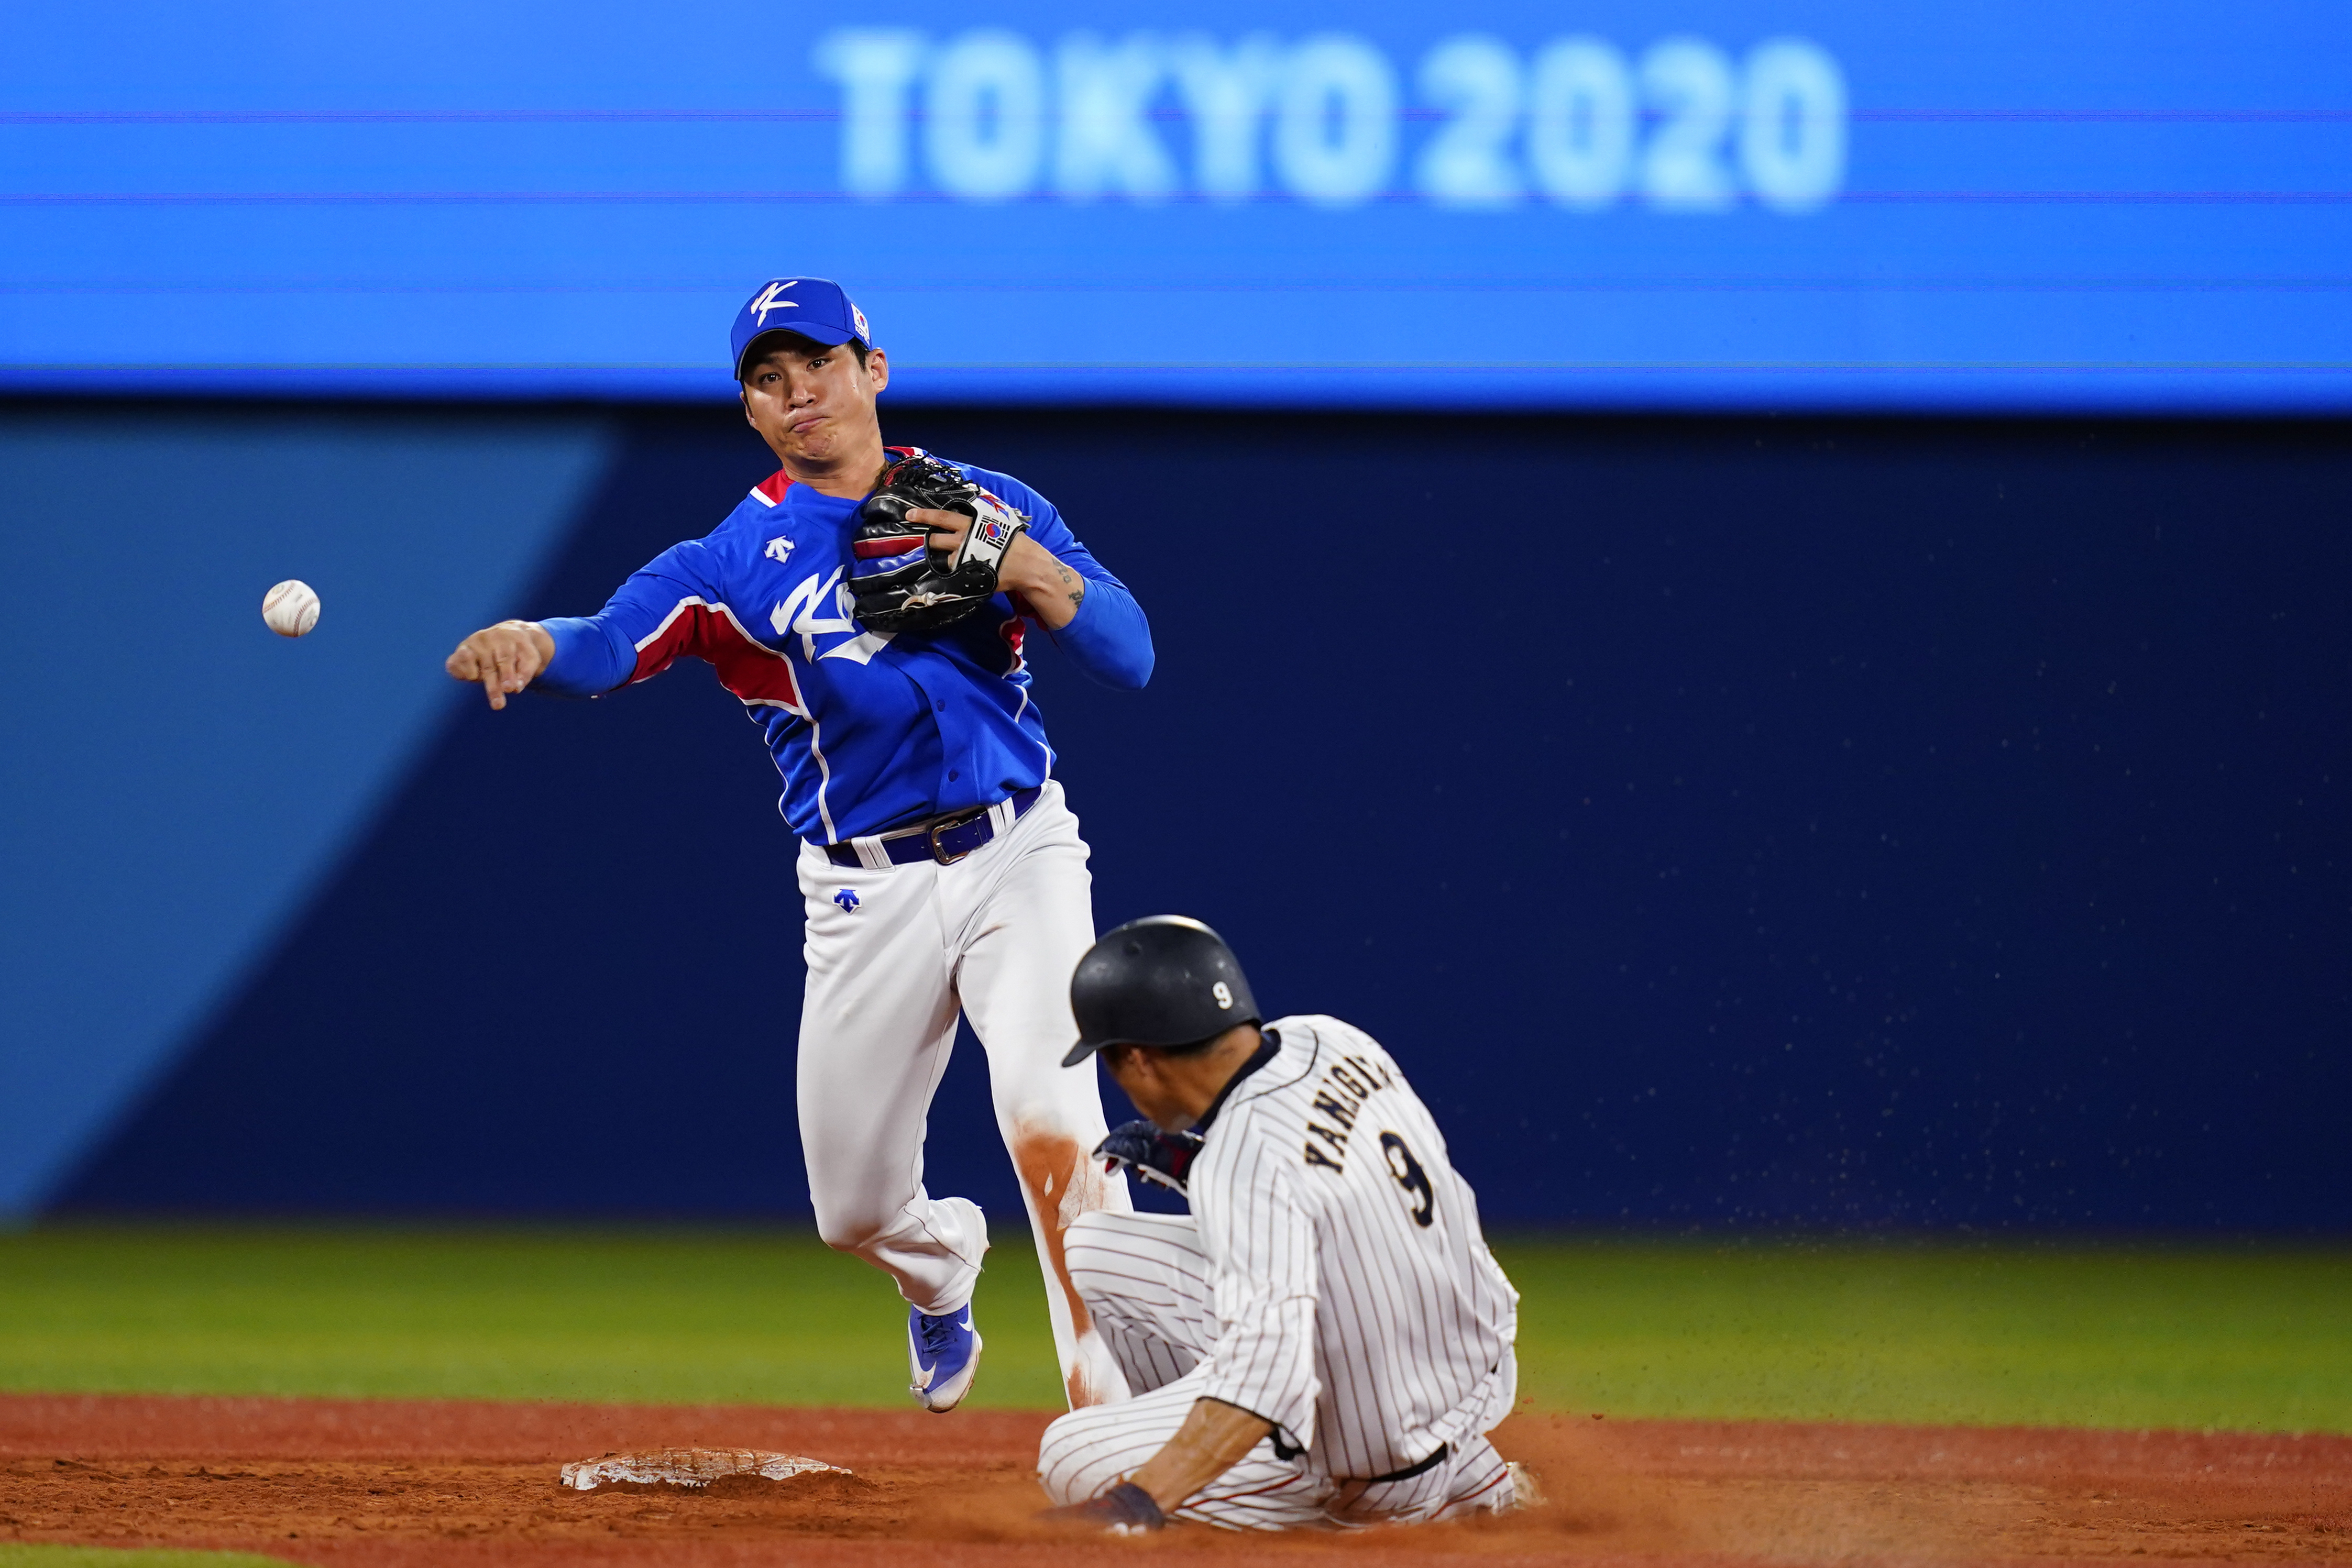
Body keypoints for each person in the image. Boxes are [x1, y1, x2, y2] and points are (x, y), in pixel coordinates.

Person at [442, 277, 1150, 1412]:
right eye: (767, 380)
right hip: (865, 893)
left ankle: (1117, 1429)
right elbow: (613, 641)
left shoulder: (988, 501)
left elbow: (1132, 654)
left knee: (1055, 1124)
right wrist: (536, 639)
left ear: (873, 370)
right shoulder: (731, 563)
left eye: (816, 363)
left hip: (1021, 855)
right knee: (854, 1210)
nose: (796, 390)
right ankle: (939, 1271)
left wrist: (1025, 568)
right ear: (753, 415)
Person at [1036, 917, 1524, 1530]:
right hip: (1463, 1367)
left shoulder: (1243, 1162)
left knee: (1068, 1457)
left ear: (1137, 1059)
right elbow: (1334, 1182)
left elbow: (1266, 1377)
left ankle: (1395, 1496)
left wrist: (1138, 1501)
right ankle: (1459, 1460)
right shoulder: (1330, 1039)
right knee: (1096, 1248)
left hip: (1377, 1465)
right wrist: (1195, 1160)